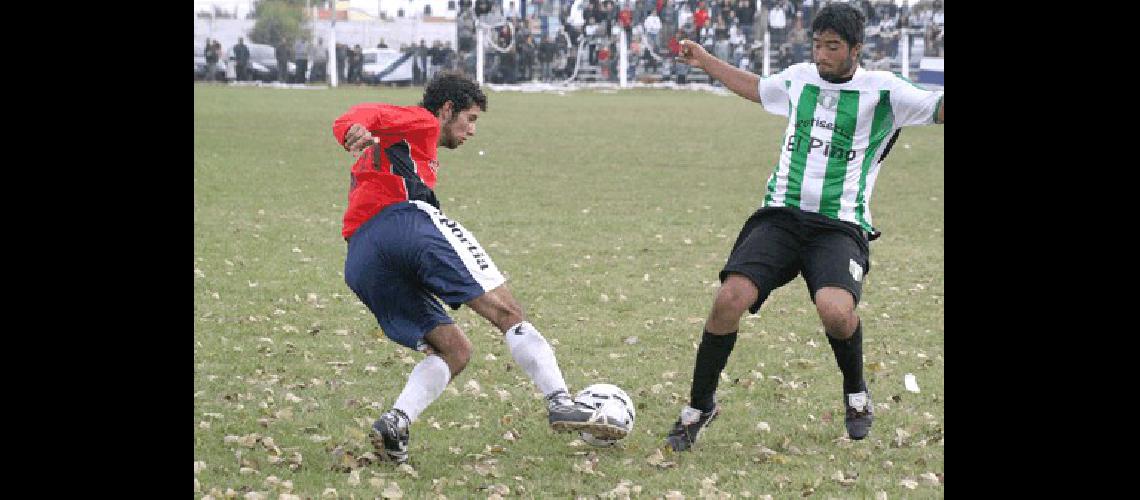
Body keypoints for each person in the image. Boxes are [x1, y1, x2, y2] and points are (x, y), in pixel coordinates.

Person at [662, 2, 944, 451]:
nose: (822, 56)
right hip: (780, 216)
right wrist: (706, 62)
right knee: (728, 299)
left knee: (836, 312)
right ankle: (699, 407)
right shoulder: (798, 78)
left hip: (839, 225)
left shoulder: (885, 90)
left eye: (832, 47)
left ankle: (856, 395)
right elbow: (758, 89)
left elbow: (938, 108)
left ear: (856, 48)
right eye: (817, 45)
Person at [330, 73, 611, 464]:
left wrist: (352, 130)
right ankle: (560, 400)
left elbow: (370, 120)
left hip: (361, 259)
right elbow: (368, 111)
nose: (472, 130)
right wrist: (350, 128)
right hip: (404, 224)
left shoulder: (405, 146)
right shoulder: (424, 122)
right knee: (506, 310)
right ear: (447, 110)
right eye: (471, 119)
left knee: (455, 350)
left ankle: (395, 423)